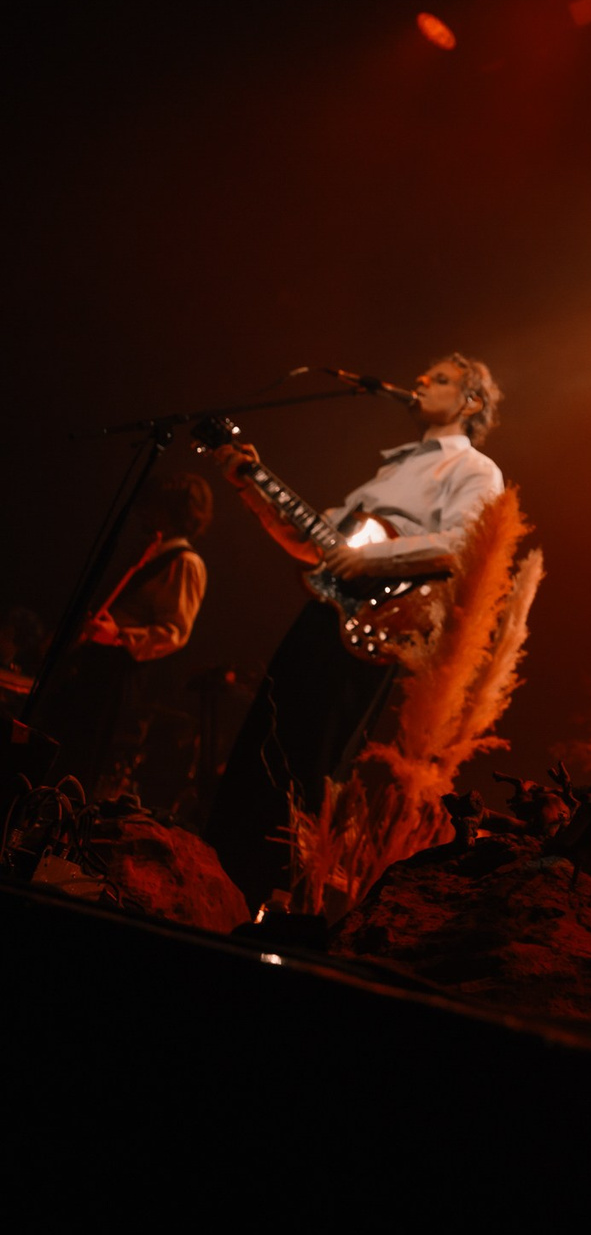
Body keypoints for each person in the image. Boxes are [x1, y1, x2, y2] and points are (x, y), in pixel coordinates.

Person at [204, 355, 504, 908]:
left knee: (308, 759)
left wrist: (373, 560)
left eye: (437, 379)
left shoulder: (475, 470)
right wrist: (251, 484)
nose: (419, 380)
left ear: (470, 402)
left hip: (376, 625)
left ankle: (255, 894)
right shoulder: (394, 469)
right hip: (326, 611)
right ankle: (217, 874)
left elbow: (464, 544)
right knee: (263, 738)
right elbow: (312, 543)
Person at [37, 475, 213, 796]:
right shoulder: (151, 551)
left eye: (159, 505)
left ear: (174, 511)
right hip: (94, 664)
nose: (147, 510)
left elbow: (175, 633)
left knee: (81, 762)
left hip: (118, 674)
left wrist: (118, 636)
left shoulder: (186, 563)